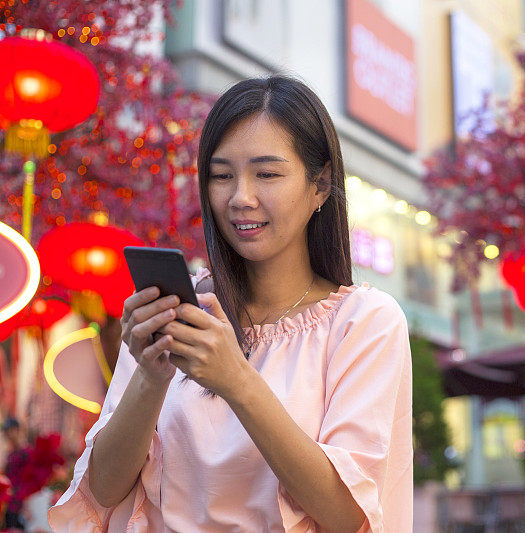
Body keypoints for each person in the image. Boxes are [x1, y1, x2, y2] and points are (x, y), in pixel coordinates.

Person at [48, 76, 413, 532]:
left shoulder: (364, 323)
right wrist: (150, 374)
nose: (240, 197)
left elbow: (349, 515)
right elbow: (102, 492)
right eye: (222, 175)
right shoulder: (181, 308)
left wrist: (237, 380)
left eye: (267, 174)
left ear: (320, 185)